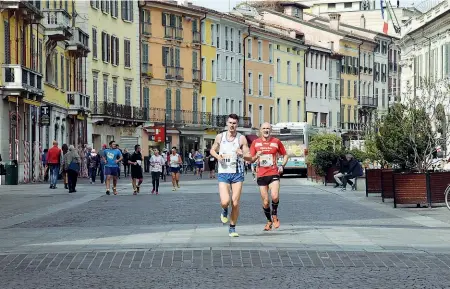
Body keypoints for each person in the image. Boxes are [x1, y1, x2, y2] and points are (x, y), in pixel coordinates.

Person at [210, 113, 250, 237]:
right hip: (223, 173)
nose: (232, 125)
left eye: (234, 123)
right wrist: (218, 156)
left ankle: (232, 228)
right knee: (225, 201)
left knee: (236, 202)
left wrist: (242, 154)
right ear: (227, 123)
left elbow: (248, 155)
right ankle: (224, 209)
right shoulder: (220, 137)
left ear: (237, 125)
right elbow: (212, 150)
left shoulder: (241, 138)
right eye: (230, 123)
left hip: (237, 173)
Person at [246, 122, 288, 231]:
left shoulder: (276, 142)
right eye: (264, 128)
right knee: (265, 201)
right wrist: (256, 156)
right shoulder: (255, 143)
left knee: (274, 196)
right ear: (260, 130)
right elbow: (250, 159)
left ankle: (274, 215)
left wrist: (282, 165)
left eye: (268, 128)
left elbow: (285, 154)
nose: (266, 130)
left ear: (271, 130)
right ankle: (269, 220)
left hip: (273, 172)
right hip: (261, 174)